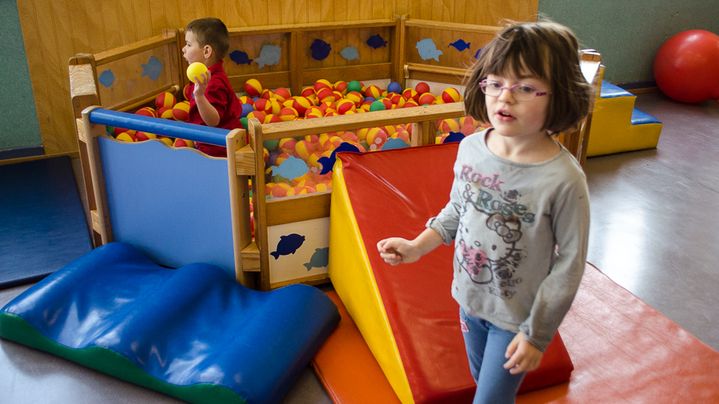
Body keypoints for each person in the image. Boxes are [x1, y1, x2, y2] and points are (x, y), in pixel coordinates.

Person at [377, 20, 592, 404]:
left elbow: (570, 263)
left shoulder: (562, 179)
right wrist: (416, 246)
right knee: (483, 383)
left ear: (559, 95)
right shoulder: (473, 148)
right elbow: (459, 208)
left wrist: (537, 332)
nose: (504, 98)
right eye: (495, 83)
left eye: (525, 87)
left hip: (517, 318)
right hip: (469, 299)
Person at [182, 17, 242, 157]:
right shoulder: (207, 74)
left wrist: (199, 96)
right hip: (211, 141)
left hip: (218, 148)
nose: (183, 49)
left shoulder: (213, 83)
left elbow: (213, 121)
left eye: (189, 44)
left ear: (206, 51)